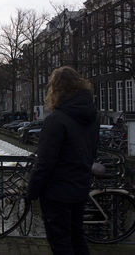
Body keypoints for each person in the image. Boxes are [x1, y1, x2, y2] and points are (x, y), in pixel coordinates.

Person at [27, 66, 99, 255]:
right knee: (77, 237)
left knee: (60, 242)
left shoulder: (56, 120)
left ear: (56, 89)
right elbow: (92, 151)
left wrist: (31, 191)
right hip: (80, 187)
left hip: (57, 193)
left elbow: (44, 163)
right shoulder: (92, 117)